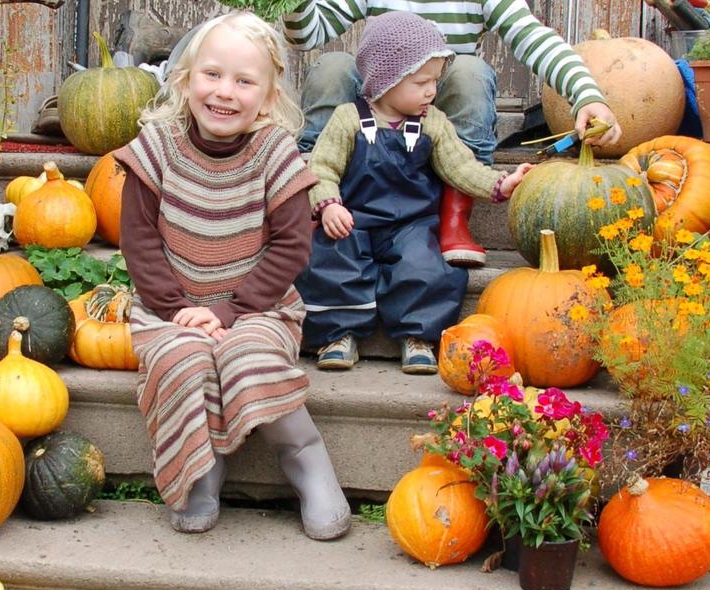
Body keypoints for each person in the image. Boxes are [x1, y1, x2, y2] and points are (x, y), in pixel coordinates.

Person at [114, 10, 352, 541]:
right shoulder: (155, 149)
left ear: (267, 97)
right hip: (169, 309)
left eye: (245, 81)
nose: (225, 91)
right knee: (183, 360)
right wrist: (178, 311)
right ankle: (200, 471)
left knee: (247, 356)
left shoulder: (276, 154)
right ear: (185, 79)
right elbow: (140, 242)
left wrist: (231, 312)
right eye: (213, 75)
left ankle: (306, 459)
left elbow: (292, 245)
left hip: (260, 308)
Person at [281, 0, 623, 268]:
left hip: (436, 114)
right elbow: (307, 34)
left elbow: (534, 40)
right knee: (332, 68)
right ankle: (312, 202)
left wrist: (586, 95)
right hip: (376, 104)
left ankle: (454, 216)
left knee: (470, 72)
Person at [297, 13, 533, 374]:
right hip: (353, 219)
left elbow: (460, 167)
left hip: (410, 223)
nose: (431, 92)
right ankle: (337, 335)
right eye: (422, 82)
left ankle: (418, 337)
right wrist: (328, 205)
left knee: (424, 266)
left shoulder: (432, 122)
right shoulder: (347, 118)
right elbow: (323, 167)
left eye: (435, 82)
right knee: (331, 262)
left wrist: (500, 184)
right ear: (385, 80)